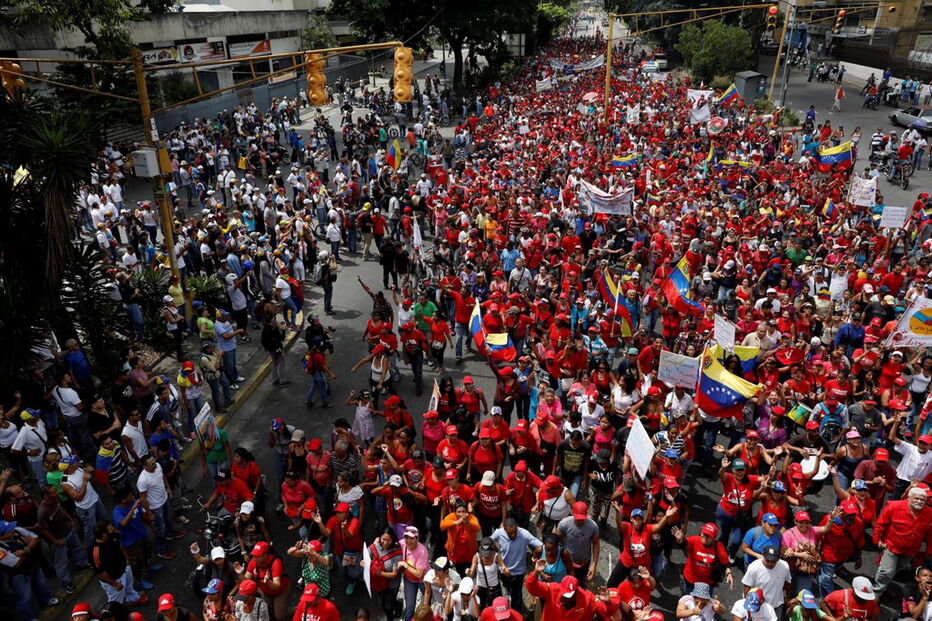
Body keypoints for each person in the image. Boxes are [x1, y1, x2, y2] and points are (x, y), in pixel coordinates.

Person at [872, 485, 932, 596]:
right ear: (909, 498)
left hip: (910, 551)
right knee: (887, 571)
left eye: (922, 500)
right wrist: (877, 539)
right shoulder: (894, 506)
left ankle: (884, 585)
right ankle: (876, 593)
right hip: (891, 546)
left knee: (898, 569)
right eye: (916, 498)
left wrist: (929, 551)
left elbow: (930, 535)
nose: (919, 501)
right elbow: (881, 523)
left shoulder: (930, 514)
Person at [524, 558, 616, 621]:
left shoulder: (588, 599)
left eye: (569, 596)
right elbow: (531, 587)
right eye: (564, 595)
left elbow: (607, 612)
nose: (565, 598)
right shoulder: (552, 589)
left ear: (576, 592)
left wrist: (608, 602)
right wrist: (536, 572)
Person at [742, 544, 793, 617]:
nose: (770, 564)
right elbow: (747, 587)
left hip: (776, 606)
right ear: (762, 555)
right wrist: (749, 605)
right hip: (758, 607)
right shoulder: (753, 568)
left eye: (773, 561)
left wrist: (788, 597)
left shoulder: (784, 566)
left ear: (779, 558)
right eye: (767, 560)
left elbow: (788, 582)